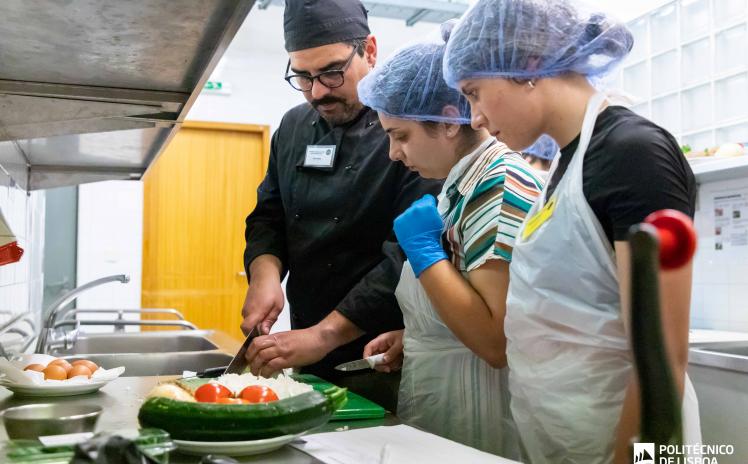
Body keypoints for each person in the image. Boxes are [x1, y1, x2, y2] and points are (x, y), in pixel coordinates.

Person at [443, 1, 701, 462]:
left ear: (526, 65)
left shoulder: (632, 154)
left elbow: (661, 362)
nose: (475, 117)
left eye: (475, 92)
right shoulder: (566, 162)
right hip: (566, 439)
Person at [241, 0, 440, 411]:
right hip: (305, 342)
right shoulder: (294, 126)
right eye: (302, 76)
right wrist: (265, 274)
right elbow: (269, 214)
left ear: (369, 50)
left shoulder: (410, 131)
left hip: (380, 354)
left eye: (332, 72)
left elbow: (405, 256)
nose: (317, 92)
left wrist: (326, 334)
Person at [357, 21, 543, 457]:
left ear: (446, 121)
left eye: (400, 136)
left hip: (478, 407)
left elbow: (497, 340)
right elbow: (469, 298)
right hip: (448, 395)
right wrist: (420, 333)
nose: (393, 154)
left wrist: (425, 254)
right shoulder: (460, 185)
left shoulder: (497, 184)